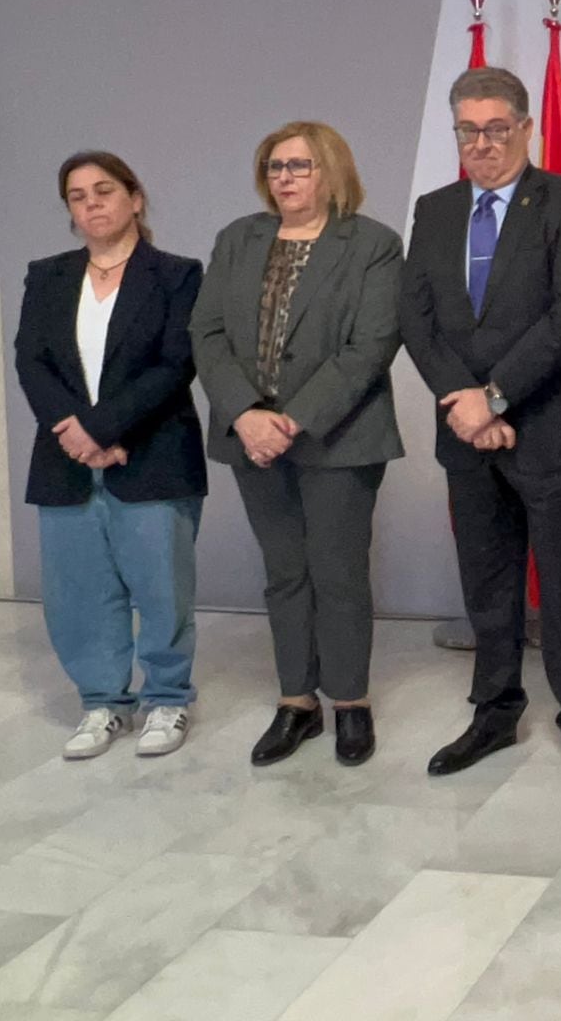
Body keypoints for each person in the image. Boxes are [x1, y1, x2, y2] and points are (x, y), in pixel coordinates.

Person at [400, 66, 561, 789]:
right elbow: (417, 319)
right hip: (467, 432)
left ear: (526, 129)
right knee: (488, 587)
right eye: (469, 130)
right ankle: (494, 712)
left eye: (497, 129)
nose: (483, 144)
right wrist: (465, 402)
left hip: (549, 429)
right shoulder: (434, 211)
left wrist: (493, 398)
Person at [190, 121, 404, 768]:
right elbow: (208, 332)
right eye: (276, 166)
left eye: (300, 166)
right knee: (285, 573)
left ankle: (350, 704)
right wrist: (249, 415)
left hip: (339, 438)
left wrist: (289, 420)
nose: (285, 178)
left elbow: (369, 347)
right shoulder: (239, 238)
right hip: (249, 439)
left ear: (331, 172)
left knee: (338, 574)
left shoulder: (372, 244)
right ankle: (296, 702)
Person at [13, 151, 206, 759]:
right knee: (79, 590)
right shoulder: (47, 275)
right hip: (65, 458)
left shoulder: (176, 274)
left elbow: (174, 364)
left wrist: (101, 428)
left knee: (161, 588)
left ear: (135, 198)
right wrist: (75, 433)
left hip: (152, 453)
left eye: (103, 190)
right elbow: (31, 361)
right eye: (77, 195)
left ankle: (167, 701)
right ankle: (102, 704)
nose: (91, 203)